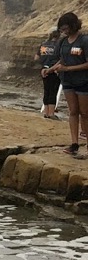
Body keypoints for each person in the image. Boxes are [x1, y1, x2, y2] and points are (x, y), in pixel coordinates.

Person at [46, 12, 88, 155]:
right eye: (62, 29)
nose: (64, 31)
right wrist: (50, 69)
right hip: (68, 81)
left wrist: (68, 69)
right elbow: (62, 60)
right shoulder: (63, 42)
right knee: (73, 111)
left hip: (83, 81)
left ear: (73, 25)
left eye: (66, 28)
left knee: (85, 113)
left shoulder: (84, 40)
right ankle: (74, 144)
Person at [36, 30, 62, 119]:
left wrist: (43, 64)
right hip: (54, 70)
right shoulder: (59, 45)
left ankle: (46, 112)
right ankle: (51, 113)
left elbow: (36, 57)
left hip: (43, 70)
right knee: (53, 91)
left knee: (46, 91)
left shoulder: (44, 44)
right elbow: (62, 58)